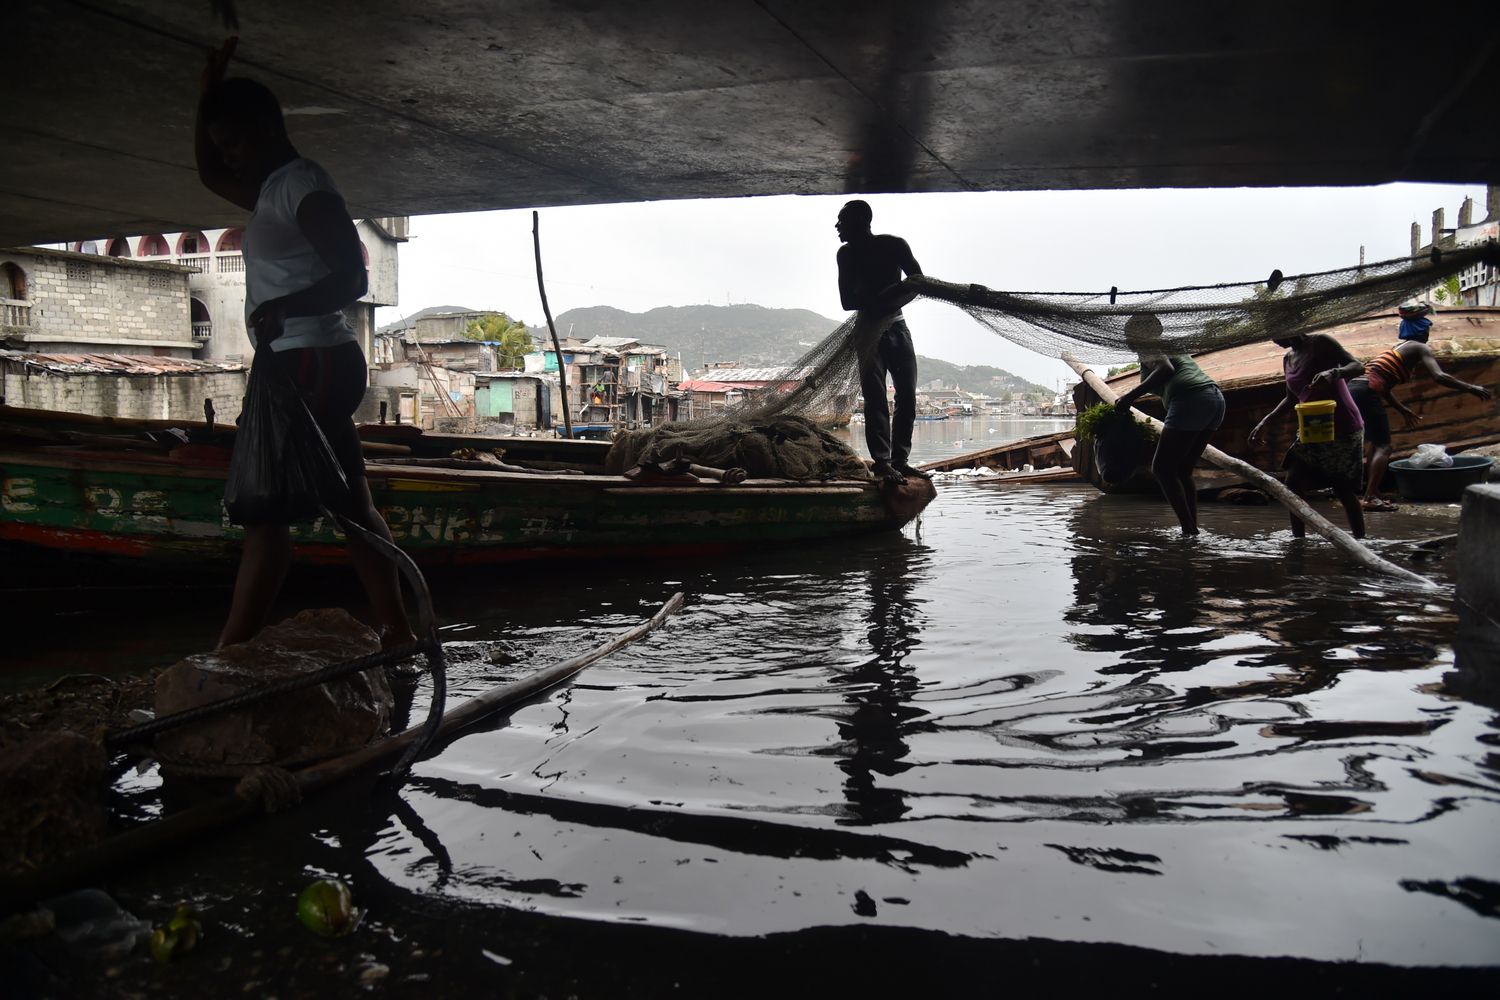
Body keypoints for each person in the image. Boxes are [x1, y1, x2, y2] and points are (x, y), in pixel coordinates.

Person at [197, 41, 415, 649]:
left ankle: (232, 651)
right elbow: (210, 174)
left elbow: (352, 276)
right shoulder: (270, 191)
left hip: (308, 360)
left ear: (266, 129)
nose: (229, 156)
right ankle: (397, 629)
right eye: (223, 145)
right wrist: (207, 95)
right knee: (350, 504)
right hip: (304, 360)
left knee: (266, 516)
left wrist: (282, 307)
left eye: (235, 141)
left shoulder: (303, 184)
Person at [1348, 303, 1493, 511]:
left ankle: (1374, 492)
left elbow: (1385, 388)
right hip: (1366, 390)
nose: (1427, 334)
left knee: (1375, 443)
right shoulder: (1419, 347)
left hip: (1357, 388)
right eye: (1426, 330)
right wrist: (1471, 387)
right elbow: (1439, 376)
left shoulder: (1400, 348)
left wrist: (1402, 409)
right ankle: (1370, 497)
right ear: (1421, 330)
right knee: (1385, 446)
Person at [835, 200, 926, 483]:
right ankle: (883, 463)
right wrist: (888, 295)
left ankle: (901, 460)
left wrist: (889, 302)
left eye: (842, 221)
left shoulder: (895, 245)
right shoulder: (846, 255)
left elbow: (918, 281)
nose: (837, 227)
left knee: (907, 397)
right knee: (875, 399)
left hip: (897, 329)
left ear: (862, 222)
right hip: (867, 333)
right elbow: (847, 302)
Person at [1113, 313, 1225, 536]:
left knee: (1162, 469)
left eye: (1130, 334)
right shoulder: (1167, 345)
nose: (1128, 339)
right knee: (1183, 471)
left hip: (1190, 399)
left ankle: (1187, 529)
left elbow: (1166, 369)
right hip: (1215, 399)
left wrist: (1128, 398)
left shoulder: (1148, 347)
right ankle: (1193, 530)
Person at [1248, 332, 1366, 539]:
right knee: (1293, 482)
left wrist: (1334, 373)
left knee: (1343, 489)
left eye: (1276, 331)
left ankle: (1361, 542)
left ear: (1293, 325)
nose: (1274, 339)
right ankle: (1298, 540)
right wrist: (1266, 421)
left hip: (1342, 424)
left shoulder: (1321, 343)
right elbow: (1292, 397)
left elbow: (1358, 366)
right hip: (1311, 427)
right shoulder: (1288, 358)